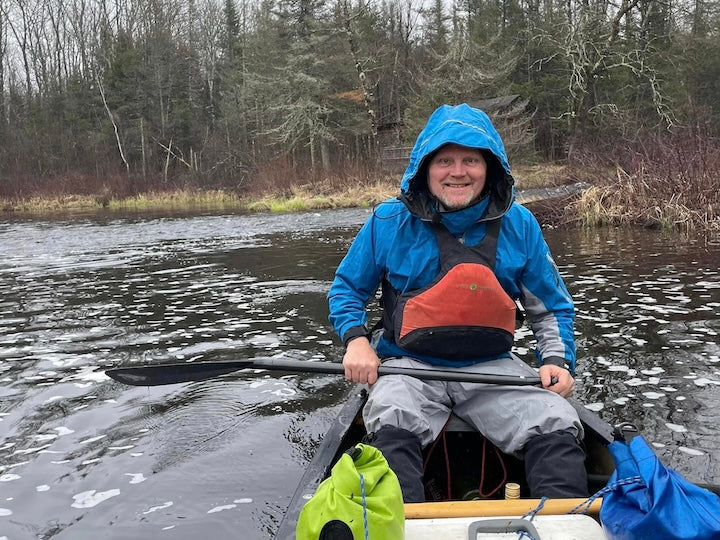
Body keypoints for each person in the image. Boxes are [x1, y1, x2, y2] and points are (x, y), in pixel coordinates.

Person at [327, 103, 587, 503]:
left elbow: (549, 308)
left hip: (492, 371)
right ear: (425, 169)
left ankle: (566, 522)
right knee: (392, 414)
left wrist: (556, 361)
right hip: (408, 368)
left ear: (490, 168)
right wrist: (356, 341)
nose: (458, 171)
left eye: (471, 160)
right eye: (444, 160)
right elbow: (347, 290)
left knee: (554, 419)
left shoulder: (520, 224)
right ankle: (401, 522)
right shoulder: (387, 221)